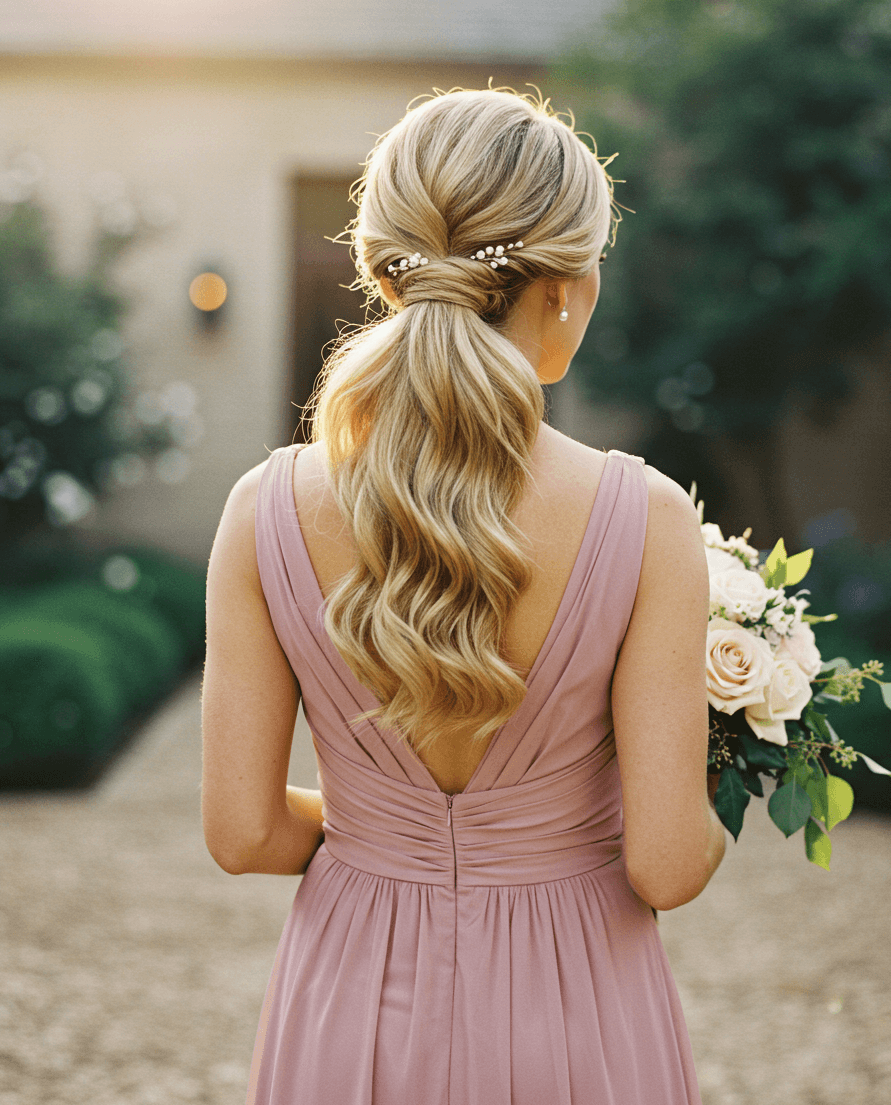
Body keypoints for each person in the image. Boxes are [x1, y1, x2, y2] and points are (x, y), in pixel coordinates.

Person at [201, 86, 727, 1105]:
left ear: (385, 269)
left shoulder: (261, 508)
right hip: (575, 1007)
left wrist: (381, 832)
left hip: (348, 996)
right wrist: (719, 776)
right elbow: (666, 862)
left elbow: (242, 830)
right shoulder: (645, 516)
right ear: (566, 286)